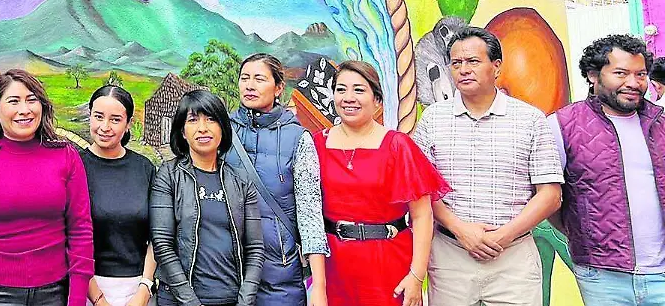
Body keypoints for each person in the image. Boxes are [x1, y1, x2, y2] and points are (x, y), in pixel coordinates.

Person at [412, 26, 563, 306]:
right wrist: (460, 229)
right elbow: (421, 191)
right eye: (456, 63)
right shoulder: (432, 119)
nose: (463, 70)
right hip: (450, 256)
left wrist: (504, 235)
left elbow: (550, 195)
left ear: (496, 66)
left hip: (514, 258)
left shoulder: (530, 119)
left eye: (473, 61)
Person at [0, 69, 94, 306]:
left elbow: (80, 229)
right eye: (13, 101)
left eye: (31, 100)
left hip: (56, 293)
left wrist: (77, 298)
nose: (24, 110)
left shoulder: (66, 156)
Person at [314, 60, 447, 306]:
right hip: (333, 265)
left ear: (377, 100)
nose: (349, 98)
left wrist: (416, 275)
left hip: (388, 263)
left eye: (359, 90)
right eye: (341, 90)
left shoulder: (398, 145)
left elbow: (422, 215)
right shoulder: (316, 145)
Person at [548, 34, 665, 305]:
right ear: (593, 75)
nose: (633, 83)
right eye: (620, 73)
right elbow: (548, 196)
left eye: (640, 74)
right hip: (602, 276)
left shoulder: (661, 123)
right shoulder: (562, 125)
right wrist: (583, 234)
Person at [225, 54, 329, 306]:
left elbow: (310, 212)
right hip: (226, 267)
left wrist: (319, 286)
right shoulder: (223, 131)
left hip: (279, 270)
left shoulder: (298, 138)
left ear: (279, 87)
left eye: (259, 79)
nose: (250, 85)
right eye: (244, 78)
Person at [150, 89, 266, 306]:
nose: (202, 128)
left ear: (222, 128)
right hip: (178, 300)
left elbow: (255, 249)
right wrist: (191, 303)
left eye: (211, 119)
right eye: (193, 120)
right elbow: (162, 245)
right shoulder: (169, 175)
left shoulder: (241, 180)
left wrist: (245, 301)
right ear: (183, 131)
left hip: (231, 299)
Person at [81, 85, 157, 306]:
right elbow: (68, 237)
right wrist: (98, 299)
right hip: (85, 288)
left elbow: (158, 234)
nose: (105, 127)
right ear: (90, 116)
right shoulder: (75, 167)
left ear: (128, 123)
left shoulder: (144, 168)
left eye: (115, 119)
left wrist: (144, 289)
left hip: (138, 289)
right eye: (98, 117)